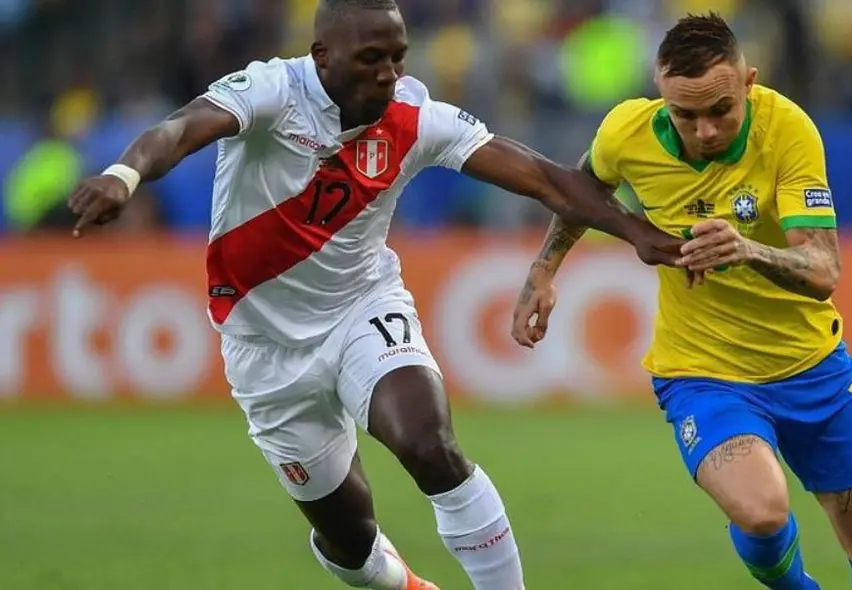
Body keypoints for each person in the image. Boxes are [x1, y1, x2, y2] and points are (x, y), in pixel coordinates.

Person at [66, 1, 687, 589]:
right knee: (353, 546)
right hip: (263, 350)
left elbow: (545, 178)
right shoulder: (271, 91)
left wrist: (637, 233)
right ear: (322, 56)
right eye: (371, 59)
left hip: (363, 309)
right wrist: (125, 175)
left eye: (399, 56)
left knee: (430, 445)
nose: (390, 74)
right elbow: (179, 129)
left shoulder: (415, 118)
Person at [510, 13, 852, 590]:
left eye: (720, 110)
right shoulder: (626, 132)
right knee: (763, 510)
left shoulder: (787, 130)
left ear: (749, 82)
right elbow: (580, 191)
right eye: (686, 114)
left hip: (812, 369)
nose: (705, 130)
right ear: (661, 98)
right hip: (703, 374)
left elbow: (825, 270)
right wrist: (543, 270)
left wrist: (747, 249)